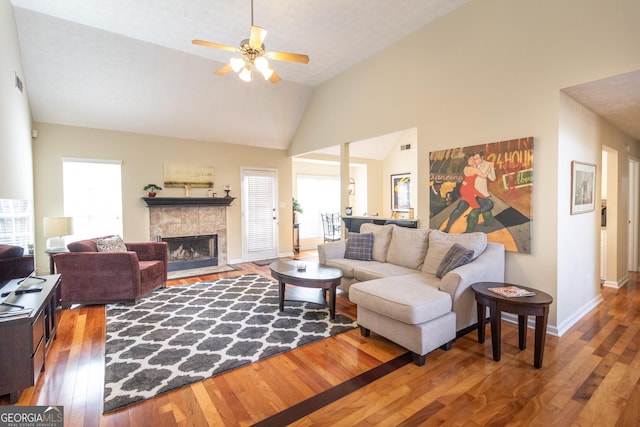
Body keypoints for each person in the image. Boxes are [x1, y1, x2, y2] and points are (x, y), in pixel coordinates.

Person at [443, 154, 492, 233]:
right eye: (471, 160)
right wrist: (490, 166)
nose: (472, 161)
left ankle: (447, 228)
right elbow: (484, 175)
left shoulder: (465, 168)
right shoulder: (474, 170)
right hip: (469, 190)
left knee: (459, 209)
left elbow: (466, 177)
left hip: (466, 189)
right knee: (483, 206)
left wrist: (463, 181)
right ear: (468, 161)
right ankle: (470, 218)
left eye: (473, 159)